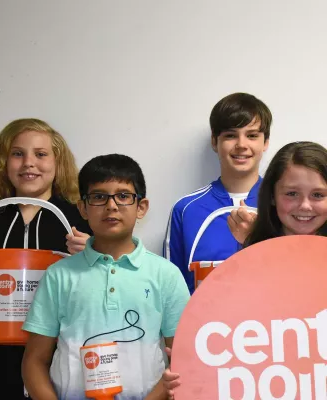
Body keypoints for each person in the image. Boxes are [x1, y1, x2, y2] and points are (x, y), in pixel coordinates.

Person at [162, 141, 327, 399]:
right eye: (291, 194)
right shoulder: (248, 260)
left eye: (318, 195)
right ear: (271, 195)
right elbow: (230, 338)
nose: (304, 206)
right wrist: (191, 362)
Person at [0, 118, 91, 400]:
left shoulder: (78, 220)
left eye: (41, 154)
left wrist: (93, 261)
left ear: (58, 162)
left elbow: (100, 308)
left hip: (60, 373)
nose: (28, 163)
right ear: (3, 162)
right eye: (18, 153)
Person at [22, 154, 190, 400]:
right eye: (99, 197)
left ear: (141, 207)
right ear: (83, 208)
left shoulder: (166, 275)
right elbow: (34, 362)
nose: (111, 205)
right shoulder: (59, 275)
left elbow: (185, 359)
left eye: (123, 196)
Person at [164, 93, 272, 293]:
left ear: (265, 142)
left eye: (252, 135)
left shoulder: (282, 205)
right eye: (230, 135)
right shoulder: (186, 210)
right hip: (202, 324)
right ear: (215, 141)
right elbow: (172, 294)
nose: (241, 144)